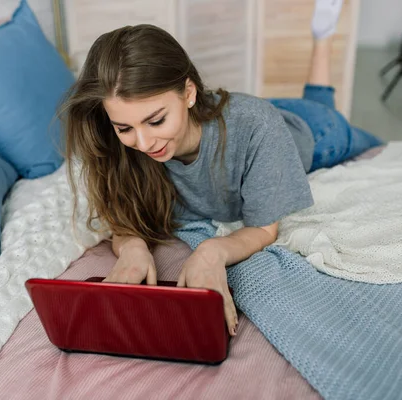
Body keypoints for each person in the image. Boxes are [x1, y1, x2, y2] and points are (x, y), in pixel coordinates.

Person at [61, 0, 383, 336]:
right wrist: (132, 247)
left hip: (315, 132)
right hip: (247, 116)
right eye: (125, 128)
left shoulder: (259, 126)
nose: (143, 142)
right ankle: (323, 34)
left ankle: (323, 35)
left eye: (156, 120)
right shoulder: (119, 142)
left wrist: (211, 252)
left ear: (188, 92)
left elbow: (263, 228)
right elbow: (125, 219)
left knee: (335, 116)